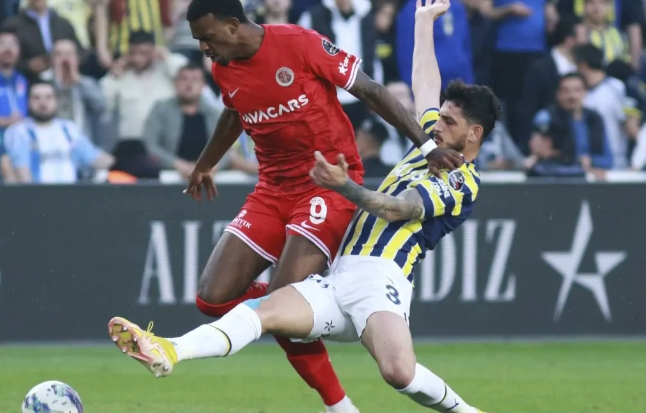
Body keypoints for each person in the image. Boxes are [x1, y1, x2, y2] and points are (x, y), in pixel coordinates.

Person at [111, 0, 469, 412]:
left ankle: (337, 404)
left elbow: (369, 90)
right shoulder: (223, 67)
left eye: (207, 38)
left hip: (327, 185)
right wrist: (206, 163)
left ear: (233, 26)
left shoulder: (300, 44)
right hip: (272, 189)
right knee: (211, 297)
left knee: (281, 303)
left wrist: (426, 148)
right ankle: (303, 309)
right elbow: (234, 111)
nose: (203, 49)